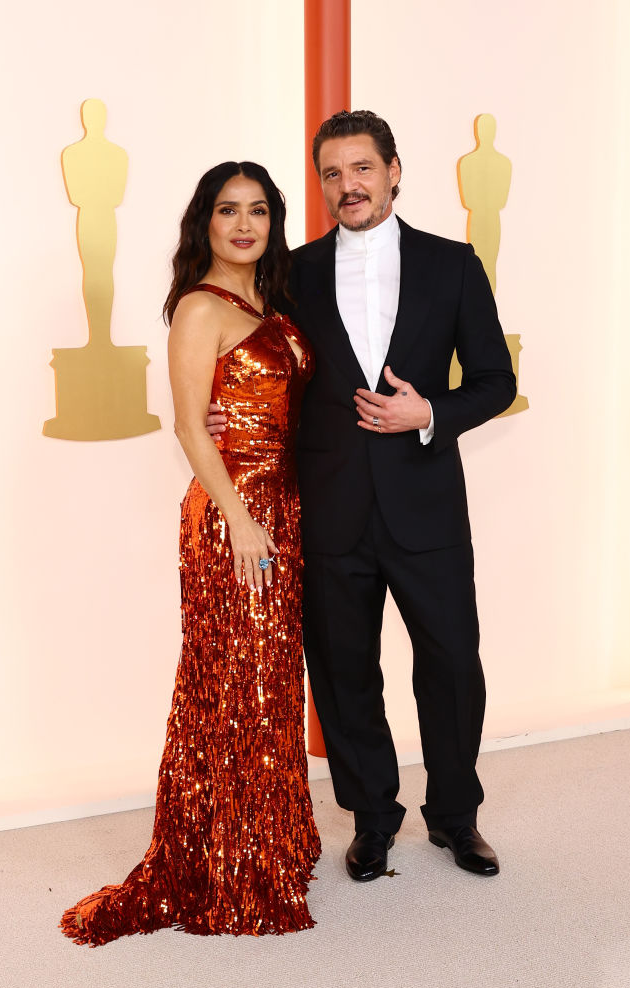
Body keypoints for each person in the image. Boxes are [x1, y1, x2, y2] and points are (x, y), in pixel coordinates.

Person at [208, 110, 516, 883]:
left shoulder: (454, 264)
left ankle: (454, 817)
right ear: (321, 187)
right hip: (330, 506)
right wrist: (225, 410)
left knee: (451, 665)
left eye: (363, 169)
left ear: (394, 171)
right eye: (333, 174)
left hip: (427, 508)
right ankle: (372, 818)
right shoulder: (293, 273)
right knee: (345, 673)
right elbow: (255, 358)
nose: (349, 185)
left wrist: (431, 414)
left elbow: (496, 382)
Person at [60, 161, 320, 945]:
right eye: (227, 211)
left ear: (273, 223)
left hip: (283, 510)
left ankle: (266, 846)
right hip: (232, 517)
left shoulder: (270, 300)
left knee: (270, 682)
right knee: (232, 686)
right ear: (203, 223)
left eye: (259, 212)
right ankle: (225, 864)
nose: (244, 225)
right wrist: (241, 518)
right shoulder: (200, 310)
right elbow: (187, 427)